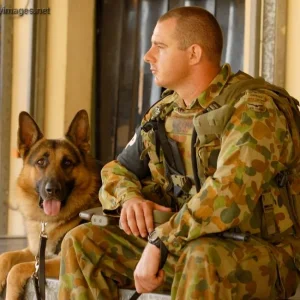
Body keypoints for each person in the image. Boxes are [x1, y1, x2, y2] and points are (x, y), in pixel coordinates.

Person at [58, 6, 300, 300]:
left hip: (261, 254)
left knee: (202, 258)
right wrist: (130, 199)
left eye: (159, 47)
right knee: (83, 241)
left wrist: (161, 241)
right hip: (186, 245)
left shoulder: (254, 110)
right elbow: (115, 170)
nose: (148, 56)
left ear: (194, 54)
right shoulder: (165, 112)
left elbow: (227, 197)